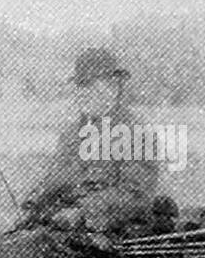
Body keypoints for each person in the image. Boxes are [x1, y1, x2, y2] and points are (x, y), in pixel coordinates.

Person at [19, 47, 162, 236]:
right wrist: (34, 204)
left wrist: (82, 213)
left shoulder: (136, 133)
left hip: (115, 235)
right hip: (68, 230)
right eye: (80, 85)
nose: (83, 92)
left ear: (113, 88)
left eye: (90, 84)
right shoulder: (72, 135)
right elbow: (55, 180)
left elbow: (136, 196)